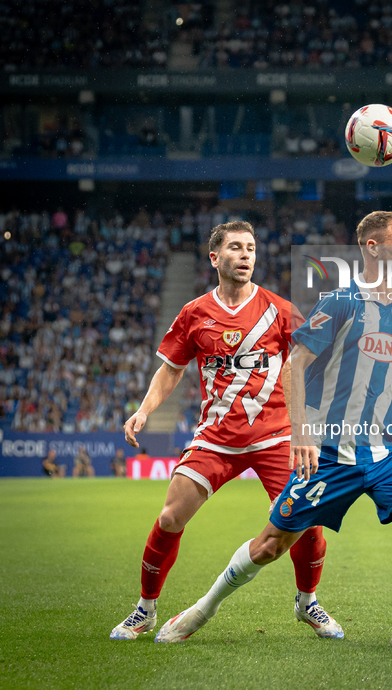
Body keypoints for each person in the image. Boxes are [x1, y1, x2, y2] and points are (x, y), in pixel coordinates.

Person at [154, 211, 392, 649]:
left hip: (388, 454)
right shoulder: (339, 303)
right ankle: (203, 608)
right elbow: (295, 364)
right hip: (331, 453)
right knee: (271, 546)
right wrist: (302, 432)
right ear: (372, 247)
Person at [110, 221, 342, 641]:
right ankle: (144, 610)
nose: (246, 255)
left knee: (308, 523)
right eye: (236, 248)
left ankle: (307, 602)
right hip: (215, 438)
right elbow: (170, 371)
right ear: (215, 258)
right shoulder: (194, 313)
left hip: (275, 436)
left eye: (251, 248)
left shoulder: (281, 310)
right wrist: (143, 411)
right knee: (169, 517)